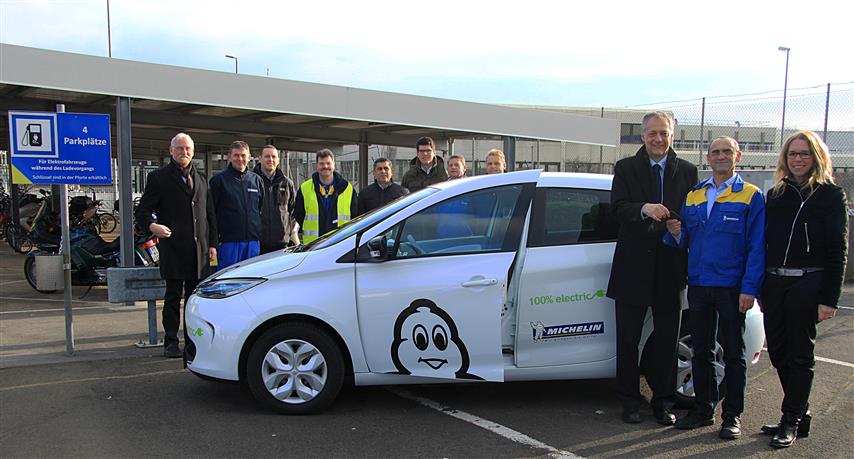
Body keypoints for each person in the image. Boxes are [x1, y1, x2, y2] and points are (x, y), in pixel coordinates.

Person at [663, 137, 765, 439]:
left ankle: (732, 415)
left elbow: (757, 247)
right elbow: (684, 241)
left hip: (731, 287)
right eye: (715, 152)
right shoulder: (695, 195)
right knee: (702, 351)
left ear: (737, 156)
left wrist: (750, 288)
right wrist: (675, 232)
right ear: (707, 157)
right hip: (699, 284)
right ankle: (704, 409)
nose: (720, 156)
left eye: (726, 152)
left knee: (734, 353)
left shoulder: (750, 196)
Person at [607, 111, 698, 425]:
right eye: (652, 134)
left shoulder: (687, 171)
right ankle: (630, 400)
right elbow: (616, 209)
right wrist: (643, 209)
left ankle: (663, 401)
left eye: (664, 133)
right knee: (628, 340)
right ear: (642, 136)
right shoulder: (626, 168)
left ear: (673, 135)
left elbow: (694, 216)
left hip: (670, 267)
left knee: (666, 341)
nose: (658, 139)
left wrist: (680, 229)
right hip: (633, 266)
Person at [760, 130, 848, 448]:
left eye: (804, 154)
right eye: (793, 154)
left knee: (800, 354)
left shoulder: (830, 195)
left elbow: (838, 249)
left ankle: (791, 419)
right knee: (779, 352)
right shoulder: (776, 195)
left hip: (808, 282)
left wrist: (829, 299)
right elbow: (763, 242)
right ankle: (800, 409)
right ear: (785, 159)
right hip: (774, 282)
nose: (798, 159)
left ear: (816, 158)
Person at [134, 133, 217, 358]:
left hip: (198, 251)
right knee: (172, 298)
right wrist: (153, 226)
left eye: (188, 148)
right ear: (171, 151)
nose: (184, 152)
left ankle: (192, 342)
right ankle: (171, 341)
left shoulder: (201, 179)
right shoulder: (159, 178)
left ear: (193, 151)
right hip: (173, 249)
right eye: (179, 148)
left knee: (194, 301)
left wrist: (212, 245)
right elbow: (141, 211)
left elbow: (210, 215)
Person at [209, 140, 264, 268]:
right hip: (229, 243)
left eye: (243, 155)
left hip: (252, 243)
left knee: (252, 280)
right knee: (228, 281)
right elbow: (211, 213)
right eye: (236, 155)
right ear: (229, 157)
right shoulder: (219, 181)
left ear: (249, 157)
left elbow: (259, 208)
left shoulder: (256, 180)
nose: (240, 159)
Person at [294, 149, 358, 243]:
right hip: (313, 246)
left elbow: (355, 218)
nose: (325, 166)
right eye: (321, 163)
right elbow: (298, 217)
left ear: (334, 164)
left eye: (328, 163)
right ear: (317, 165)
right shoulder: (305, 188)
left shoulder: (348, 188)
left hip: (341, 244)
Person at [253, 145, 299, 253]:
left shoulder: (287, 183)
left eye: (274, 157)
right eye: (267, 156)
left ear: (278, 160)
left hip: (282, 244)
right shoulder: (252, 182)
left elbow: (294, 212)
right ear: (260, 159)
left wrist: (288, 232)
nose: (271, 160)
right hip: (258, 243)